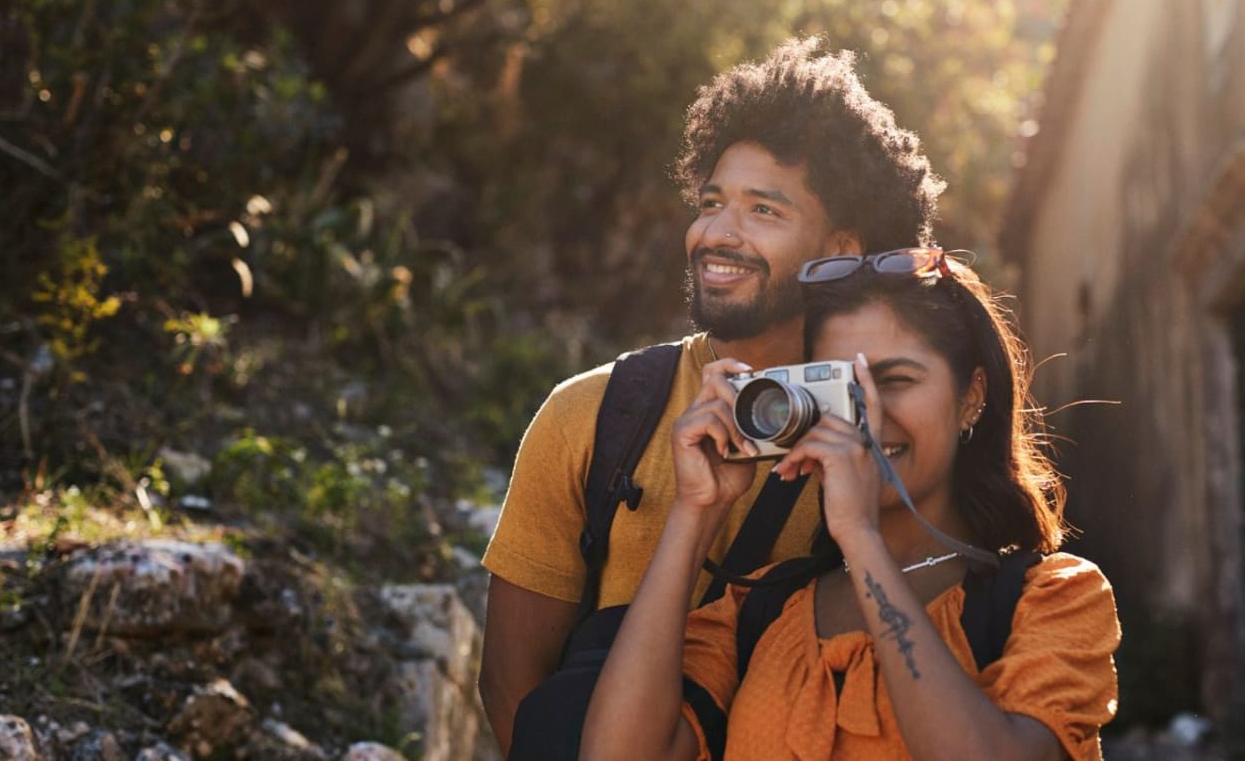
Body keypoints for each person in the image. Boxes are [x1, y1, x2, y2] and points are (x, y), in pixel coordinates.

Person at [479, 37, 947, 752]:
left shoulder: (893, 434)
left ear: (842, 251)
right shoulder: (591, 416)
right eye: (710, 203)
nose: (715, 234)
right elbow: (512, 688)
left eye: (763, 211)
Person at [581, 247, 1121, 760]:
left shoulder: (1054, 597)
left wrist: (860, 538)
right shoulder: (761, 611)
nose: (866, 418)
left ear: (971, 396)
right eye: (841, 391)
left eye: (895, 380)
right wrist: (696, 510)